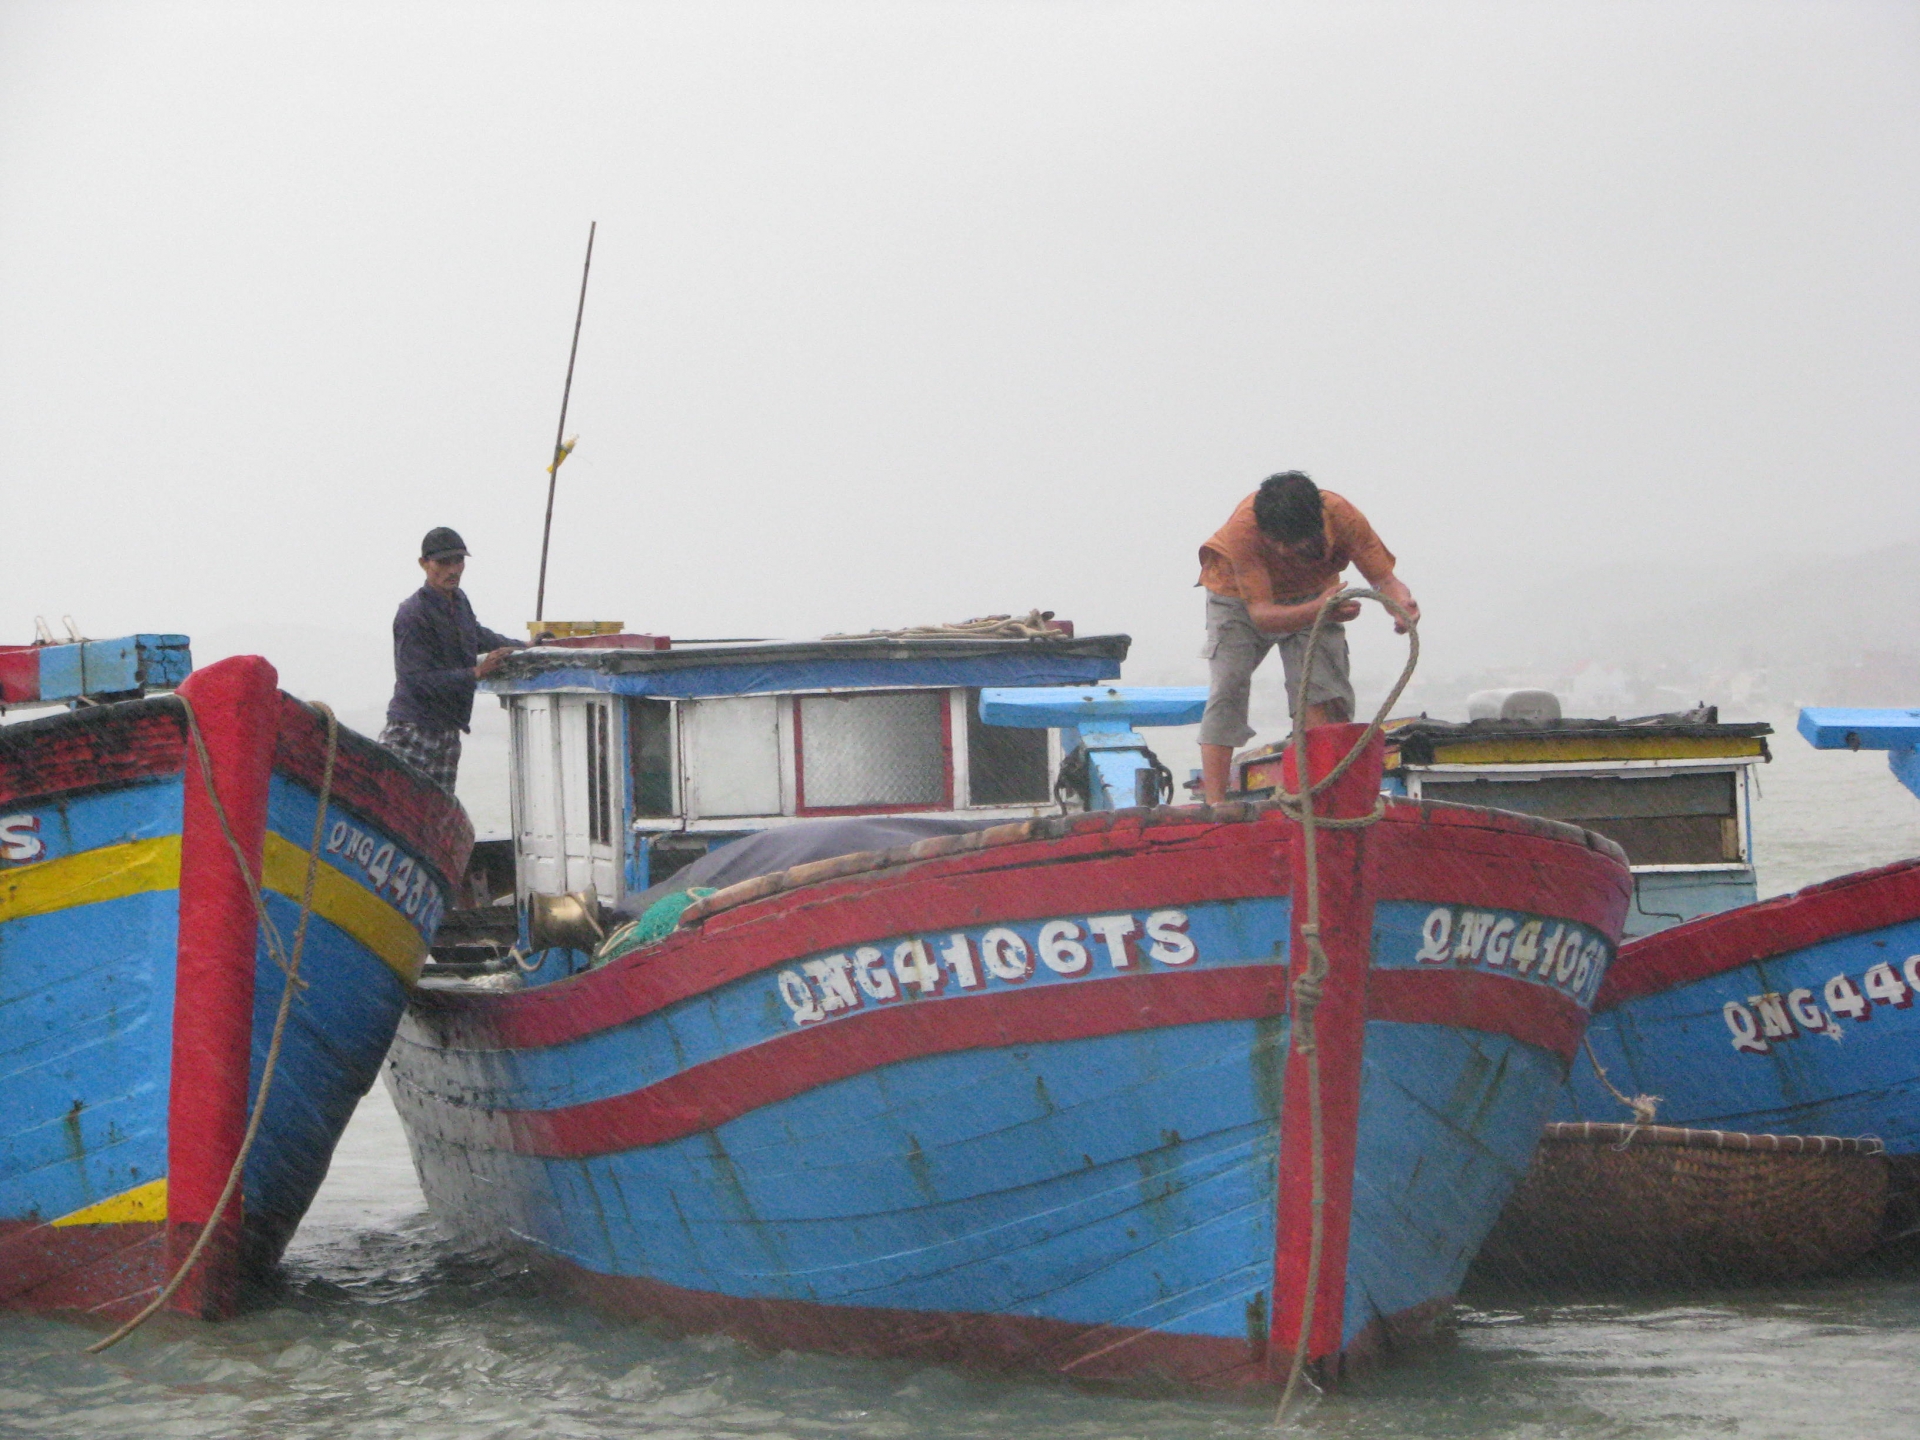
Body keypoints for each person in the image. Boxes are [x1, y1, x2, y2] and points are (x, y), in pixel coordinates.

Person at [1196, 471, 1419, 805]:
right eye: (1278, 546)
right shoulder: (1242, 531)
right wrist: (1318, 610)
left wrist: (1401, 606)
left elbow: (1385, 579)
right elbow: (1262, 615)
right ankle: (1215, 805)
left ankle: (1322, 797)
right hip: (1239, 600)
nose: (1284, 553)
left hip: (1318, 594)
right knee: (1229, 687)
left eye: (1293, 545)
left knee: (1322, 695)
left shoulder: (1342, 516)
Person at [380, 526, 521, 792]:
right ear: (424, 564)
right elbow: (414, 680)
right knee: (397, 801)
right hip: (413, 730)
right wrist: (476, 673)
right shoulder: (413, 614)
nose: (453, 569)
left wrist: (523, 646)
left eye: (459, 561)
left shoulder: (459, 601)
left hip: (448, 732)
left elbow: (476, 635)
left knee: (435, 815)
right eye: (444, 562)